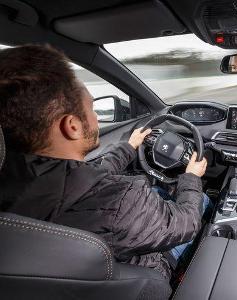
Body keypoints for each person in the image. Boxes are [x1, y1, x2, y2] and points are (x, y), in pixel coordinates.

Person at [0, 44, 208, 279]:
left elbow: (88, 175)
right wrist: (191, 177)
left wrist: (129, 147)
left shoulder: (20, 177)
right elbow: (186, 224)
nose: (97, 116)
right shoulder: (121, 200)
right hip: (142, 276)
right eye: (92, 107)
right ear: (73, 126)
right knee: (204, 201)